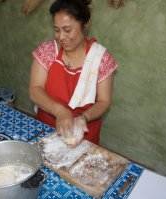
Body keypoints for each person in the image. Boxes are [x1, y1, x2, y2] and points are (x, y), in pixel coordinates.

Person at [29, 0, 119, 146]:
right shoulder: (48, 51)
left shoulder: (101, 58)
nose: (61, 37)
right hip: (47, 127)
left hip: (83, 133)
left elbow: (104, 101)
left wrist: (83, 117)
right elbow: (35, 90)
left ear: (85, 24)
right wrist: (60, 112)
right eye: (57, 30)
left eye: (67, 29)